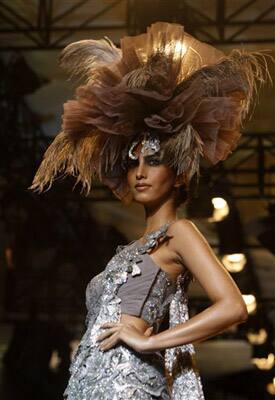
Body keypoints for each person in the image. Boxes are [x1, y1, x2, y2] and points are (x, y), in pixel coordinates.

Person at [29, 21, 271, 399]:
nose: (139, 172)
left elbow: (233, 308)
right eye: (133, 162)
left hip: (130, 387)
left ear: (178, 176)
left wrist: (149, 344)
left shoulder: (180, 232)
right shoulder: (129, 249)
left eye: (154, 161)